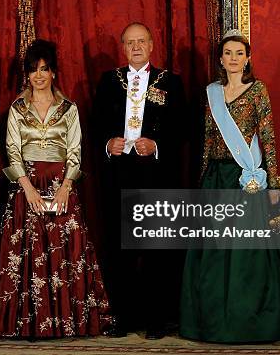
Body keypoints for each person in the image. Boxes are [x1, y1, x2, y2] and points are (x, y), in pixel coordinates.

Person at [179, 29, 280, 343]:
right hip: (216, 179)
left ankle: (251, 320)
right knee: (215, 252)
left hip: (247, 179)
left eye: (239, 53)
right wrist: (202, 182)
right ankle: (213, 321)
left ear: (248, 58)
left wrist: (274, 185)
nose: (233, 58)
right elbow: (208, 141)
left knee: (249, 252)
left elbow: (267, 139)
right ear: (220, 59)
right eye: (228, 52)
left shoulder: (258, 91)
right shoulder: (210, 93)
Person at [0, 39, 112, 338]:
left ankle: (67, 321)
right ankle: (26, 322)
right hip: (26, 185)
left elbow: (75, 150)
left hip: (61, 185)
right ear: (27, 75)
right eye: (33, 70)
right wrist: (27, 189)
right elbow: (12, 151)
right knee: (26, 250)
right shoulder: (17, 109)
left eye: (44, 69)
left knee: (64, 250)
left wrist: (66, 186)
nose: (39, 75)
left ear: (54, 72)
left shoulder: (68, 108)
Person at [93, 22, 186, 339]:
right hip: (119, 175)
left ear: (151, 45)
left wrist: (157, 145)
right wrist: (108, 144)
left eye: (141, 41)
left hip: (156, 174)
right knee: (121, 248)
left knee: (157, 248)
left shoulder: (171, 82)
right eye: (130, 42)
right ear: (123, 48)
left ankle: (158, 319)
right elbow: (94, 125)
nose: (135, 47)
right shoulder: (108, 82)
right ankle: (123, 316)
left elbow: (182, 129)